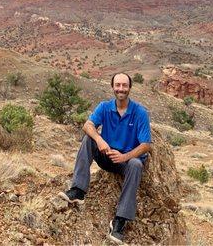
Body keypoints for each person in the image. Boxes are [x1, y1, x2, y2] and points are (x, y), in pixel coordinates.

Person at [59, 72, 152, 244]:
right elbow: (88, 125)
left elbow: (146, 145)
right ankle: (78, 191)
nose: (121, 89)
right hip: (107, 156)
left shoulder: (140, 112)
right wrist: (100, 139)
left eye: (124, 85)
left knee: (136, 164)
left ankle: (119, 221)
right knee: (89, 138)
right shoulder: (104, 107)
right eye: (117, 85)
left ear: (130, 88)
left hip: (126, 162)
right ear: (112, 87)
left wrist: (125, 156)